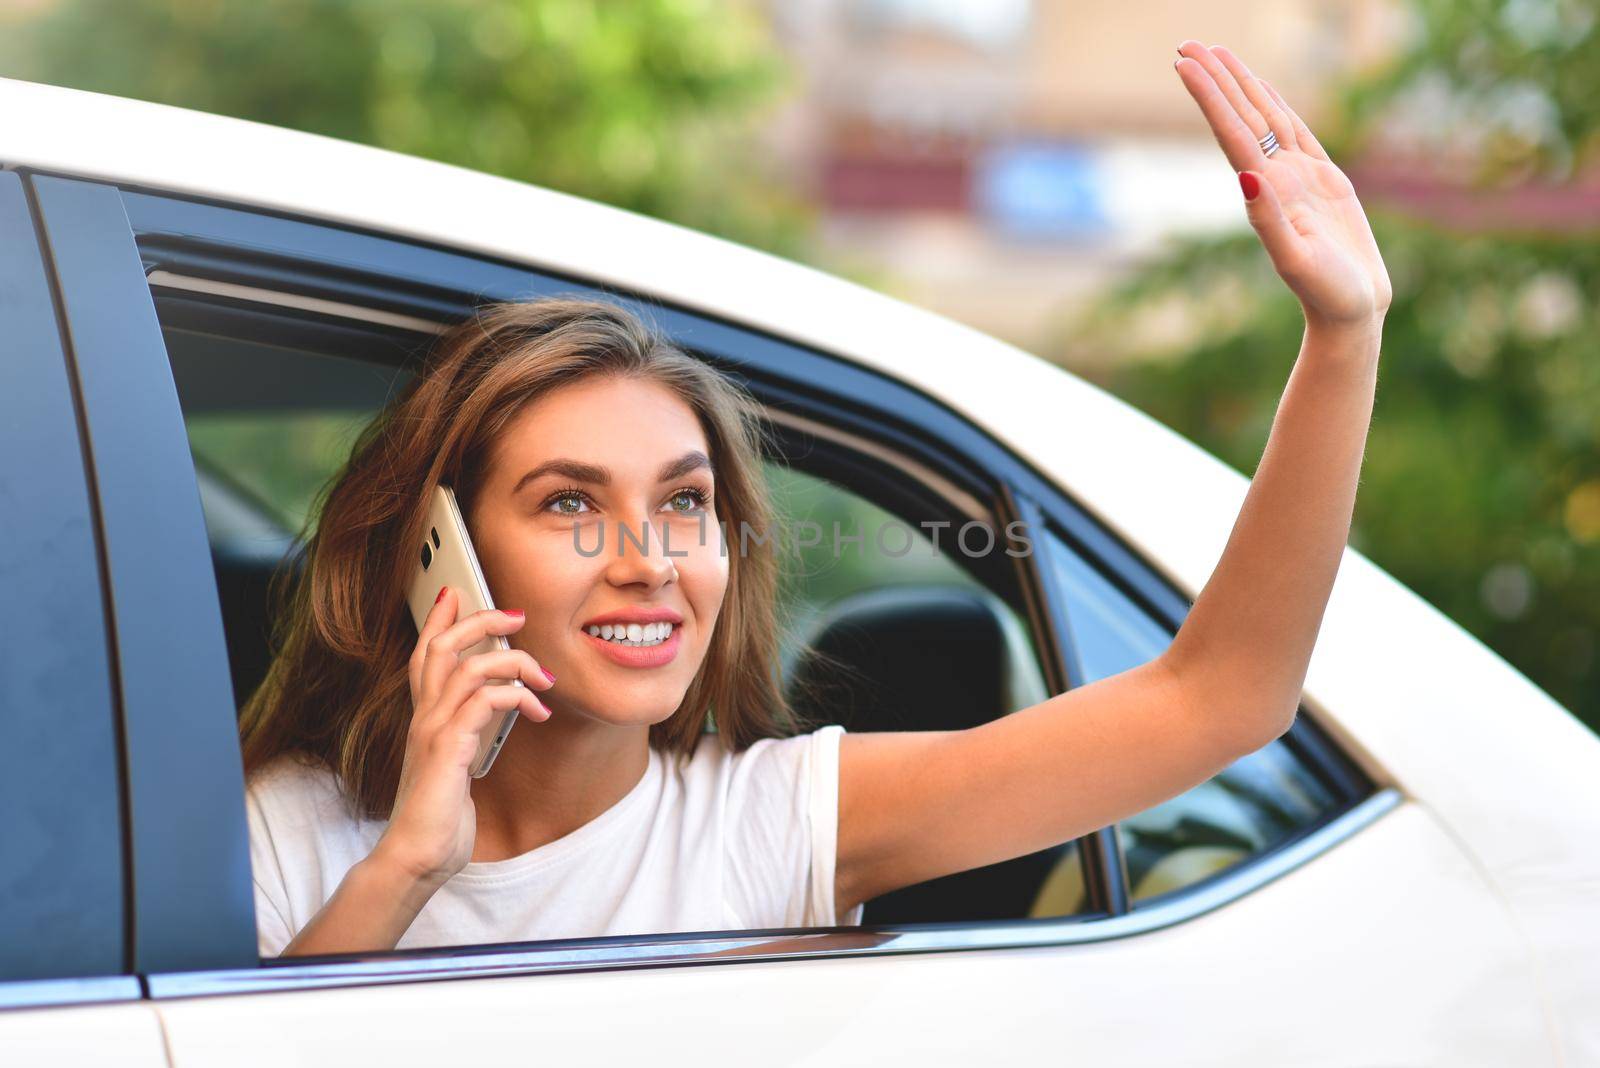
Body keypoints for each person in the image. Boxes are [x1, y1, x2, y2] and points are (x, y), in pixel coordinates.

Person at [242, 40, 1392, 957]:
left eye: (685, 503)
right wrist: (407, 869)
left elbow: (1224, 698)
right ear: (437, 552)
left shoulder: (776, 821)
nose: (649, 558)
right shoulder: (285, 833)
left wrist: (1342, 338)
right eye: (566, 505)